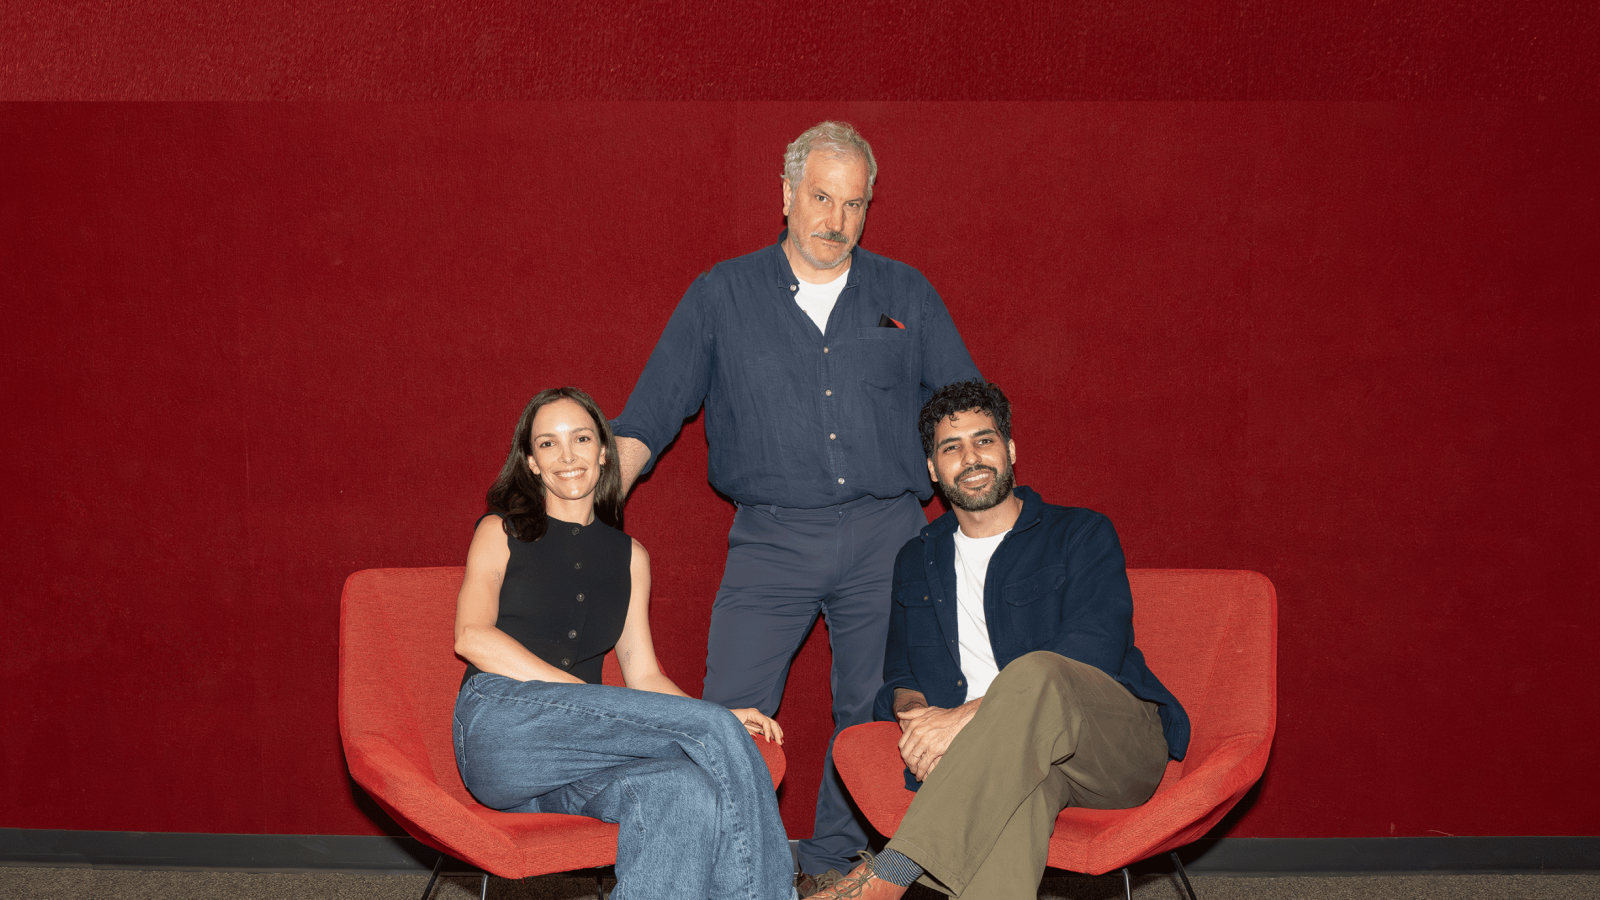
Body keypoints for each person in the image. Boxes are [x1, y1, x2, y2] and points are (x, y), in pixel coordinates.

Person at [611, 121, 982, 890]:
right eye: (820, 197)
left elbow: (965, 412)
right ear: (785, 195)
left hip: (889, 536)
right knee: (726, 719)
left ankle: (838, 869)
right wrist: (573, 507)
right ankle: (727, 866)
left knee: (876, 716)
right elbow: (645, 421)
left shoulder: (905, 293)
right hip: (770, 538)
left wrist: (985, 521)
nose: (834, 221)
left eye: (853, 204)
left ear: (868, 206)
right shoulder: (721, 294)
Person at [805, 381, 1191, 900]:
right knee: (1018, 805)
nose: (971, 457)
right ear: (933, 469)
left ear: (1009, 451)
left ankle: (890, 872)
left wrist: (966, 720)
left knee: (1036, 671)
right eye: (951, 447)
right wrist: (918, 718)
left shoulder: (1080, 533)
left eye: (984, 441)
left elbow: (1094, 649)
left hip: (1111, 747)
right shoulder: (916, 559)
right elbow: (899, 674)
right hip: (1011, 762)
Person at [451, 387, 795, 900]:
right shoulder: (500, 531)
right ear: (531, 463)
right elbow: (472, 636)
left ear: (604, 451)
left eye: (582, 438)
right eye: (548, 444)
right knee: (714, 732)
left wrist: (708, 712)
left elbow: (644, 674)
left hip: (583, 762)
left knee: (687, 793)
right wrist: (583, 697)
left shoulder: (631, 556)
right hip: (503, 730)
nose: (567, 456)